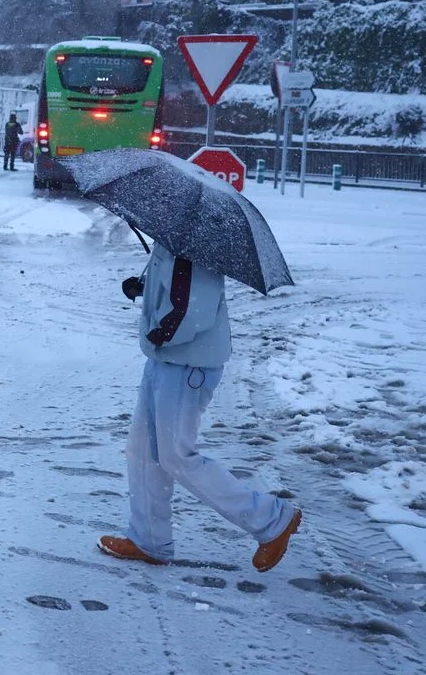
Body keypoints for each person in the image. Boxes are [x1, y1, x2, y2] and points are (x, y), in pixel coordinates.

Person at [98, 244, 302, 572]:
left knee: (177, 456)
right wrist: (143, 287)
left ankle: (272, 519)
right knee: (143, 452)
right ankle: (149, 539)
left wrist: (161, 332)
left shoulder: (195, 245)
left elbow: (194, 307)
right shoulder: (173, 238)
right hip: (165, 359)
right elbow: (172, 290)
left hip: (187, 364)